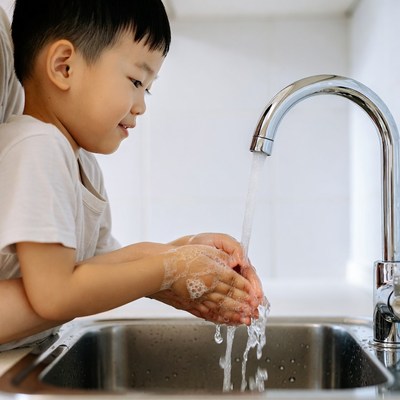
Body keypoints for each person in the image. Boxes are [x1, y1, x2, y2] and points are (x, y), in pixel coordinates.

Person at [0, 0, 264, 351]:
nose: (141, 106)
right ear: (64, 67)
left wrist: (186, 251)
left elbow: (98, 270)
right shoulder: (37, 148)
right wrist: (170, 267)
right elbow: (55, 294)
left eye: (147, 88)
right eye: (136, 81)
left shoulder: (78, 163)